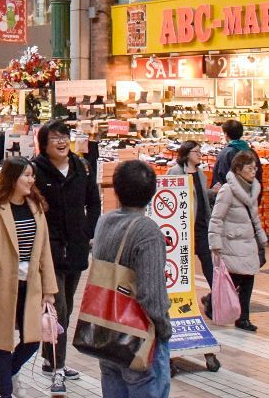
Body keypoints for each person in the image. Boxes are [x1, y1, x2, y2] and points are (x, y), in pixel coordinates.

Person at [0, 156, 59, 398]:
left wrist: (49, 290)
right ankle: (5, 393)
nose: (31, 180)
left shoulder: (36, 208)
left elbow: (45, 251)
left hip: (32, 284)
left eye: (32, 175)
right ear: (12, 179)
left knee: (33, 339)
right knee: (2, 341)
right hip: (2, 284)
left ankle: (10, 373)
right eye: (26, 175)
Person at [31, 118, 100, 388]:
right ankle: (58, 368)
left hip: (76, 248)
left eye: (64, 136)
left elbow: (93, 202)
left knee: (67, 307)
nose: (61, 142)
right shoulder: (35, 170)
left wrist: (88, 230)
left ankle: (49, 357)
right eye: (55, 138)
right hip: (48, 250)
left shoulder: (81, 167)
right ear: (44, 144)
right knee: (57, 307)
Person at [94, 160, 171, 398]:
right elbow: (151, 294)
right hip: (138, 338)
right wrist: (164, 329)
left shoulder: (104, 221)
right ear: (152, 193)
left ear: (116, 189)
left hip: (106, 331)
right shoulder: (147, 231)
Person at [208, 149, 268, 332]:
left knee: (248, 279)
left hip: (247, 242)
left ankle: (243, 318)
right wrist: (215, 243)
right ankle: (213, 303)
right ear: (239, 168)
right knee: (233, 280)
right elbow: (216, 218)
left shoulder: (252, 189)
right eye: (250, 167)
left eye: (255, 168)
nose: (253, 171)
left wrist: (261, 236)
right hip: (231, 242)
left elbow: (254, 217)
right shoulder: (227, 190)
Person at [174, 141, 215, 301]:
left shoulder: (200, 173)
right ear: (186, 154)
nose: (199, 155)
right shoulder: (176, 172)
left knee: (208, 263)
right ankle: (182, 299)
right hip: (184, 228)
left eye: (200, 152)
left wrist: (211, 193)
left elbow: (199, 195)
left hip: (201, 226)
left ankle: (217, 298)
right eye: (196, 152)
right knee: (184, 264)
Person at [210, 119, 263, 193]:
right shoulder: (252, 152)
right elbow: (259, 176)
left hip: (231, 199)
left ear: (226, 134)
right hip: (250, 197)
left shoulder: (224, 154)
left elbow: (219, 179)